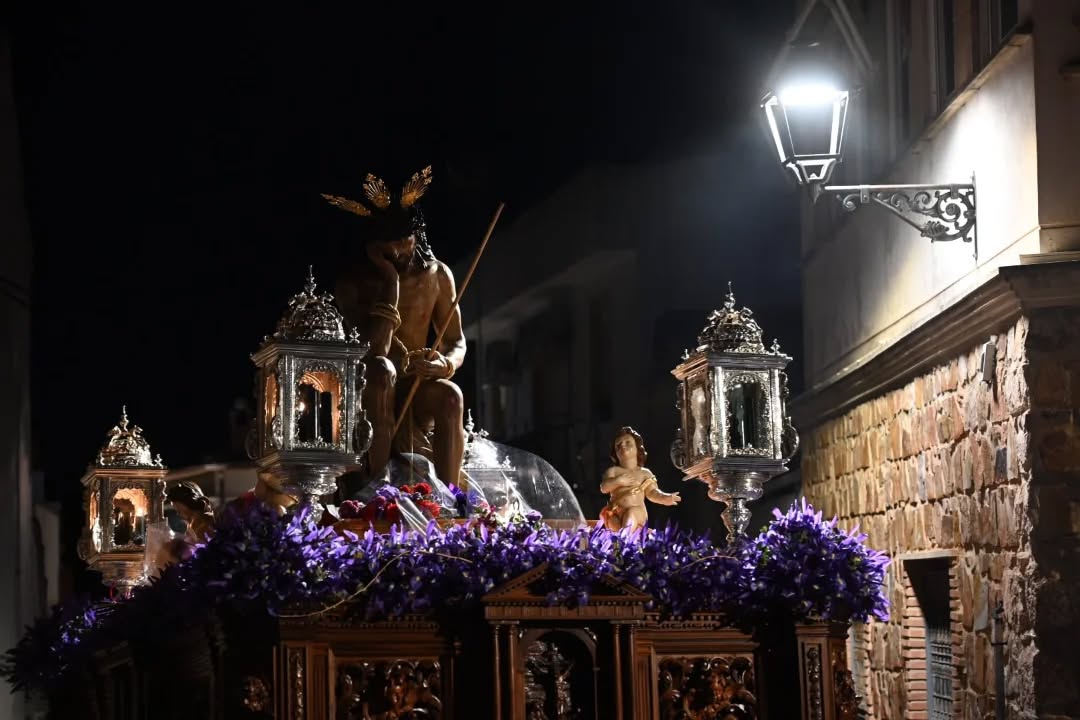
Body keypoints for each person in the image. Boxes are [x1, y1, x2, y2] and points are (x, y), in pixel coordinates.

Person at [325, 167, 467, 488]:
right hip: (370, 387)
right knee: (380, 370)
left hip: (416, 383)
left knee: (451, 397)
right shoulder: (354, 284)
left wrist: (443, 364)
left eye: (405, 241)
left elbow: (457, 341)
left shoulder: (437, 275)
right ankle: (377, 489)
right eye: (390, 248)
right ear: (373, 247)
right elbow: (375, 350)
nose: (400, 252)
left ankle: (451, 498)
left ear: (416, 235)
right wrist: (391, 282)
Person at [599, 426, 681, 532]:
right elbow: (604, 488)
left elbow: (652, 492)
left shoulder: (644, 473)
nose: (623, 445)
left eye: (628, 442)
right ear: (615, 453)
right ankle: (619, 545)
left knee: (631, 513)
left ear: (638, 448)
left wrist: (664, 498)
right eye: (618, 446)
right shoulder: (613, 472)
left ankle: (625, 539)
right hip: (616, 512)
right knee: (611, 523)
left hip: (637, 513)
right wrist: (618, 481)